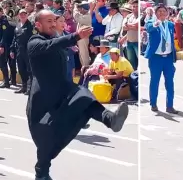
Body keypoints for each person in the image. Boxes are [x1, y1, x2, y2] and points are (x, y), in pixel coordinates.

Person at [27, 10, 129, 180]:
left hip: (63, 90)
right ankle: (41, 173)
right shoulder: (34, 42)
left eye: (55, 20)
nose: (53, 24)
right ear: (38, 25)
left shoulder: (55, 39)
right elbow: (49, 46)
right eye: (49, 21)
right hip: (43, 99)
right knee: (46, 138)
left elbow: (58, 45)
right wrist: (75, 36)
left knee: (84, 97)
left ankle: (110, 119)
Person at [145, 4, 178, 113]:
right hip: (156, 58)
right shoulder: (151, 23)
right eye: (159, 11)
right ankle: (153, 104)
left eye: (164, 11)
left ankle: (170, 106)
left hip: (168, 57)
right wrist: (155, 24)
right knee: (155, 81)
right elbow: (149, 28)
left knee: (170, 82)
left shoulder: (170, 25)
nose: (162, 13)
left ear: (167, 13)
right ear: (155, 13)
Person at [10, 9, 33, 94]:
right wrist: (12, 49)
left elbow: (34, 38)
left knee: (29, 70)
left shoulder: (31, 26)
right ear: (18, 15)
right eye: (21, 14)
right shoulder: (18, 25)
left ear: (27, 15)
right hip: (19, 51)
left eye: (24, 14)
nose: (22, 15)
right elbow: (14, 38)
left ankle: (29, 88)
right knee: (21, 69)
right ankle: (23, 86)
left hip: (28, 51)